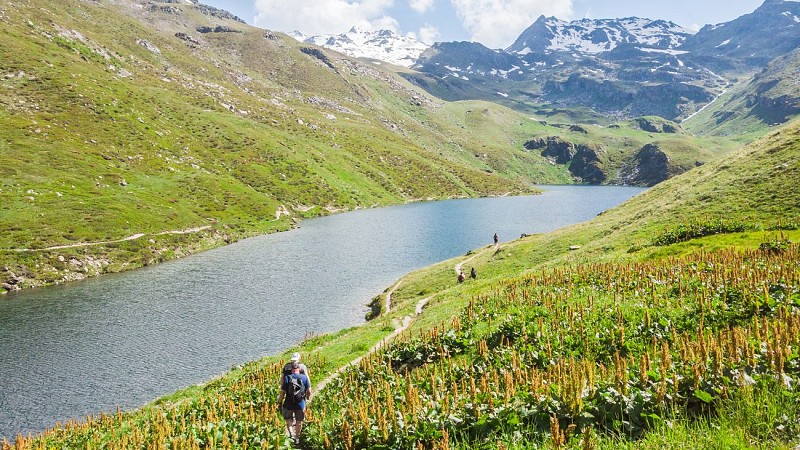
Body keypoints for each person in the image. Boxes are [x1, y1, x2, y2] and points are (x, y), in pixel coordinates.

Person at [278, 361, 312, 444]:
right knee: (299, 421)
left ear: (292, 370)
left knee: (288, 419)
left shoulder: (287, 378)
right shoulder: (304, 378)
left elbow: (282, 392)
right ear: (299, 369)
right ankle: (297, 438)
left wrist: (279, 402)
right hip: (300, 403)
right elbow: (309, 391)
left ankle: (291, 434)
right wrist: (307, 398)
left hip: (288, 403)